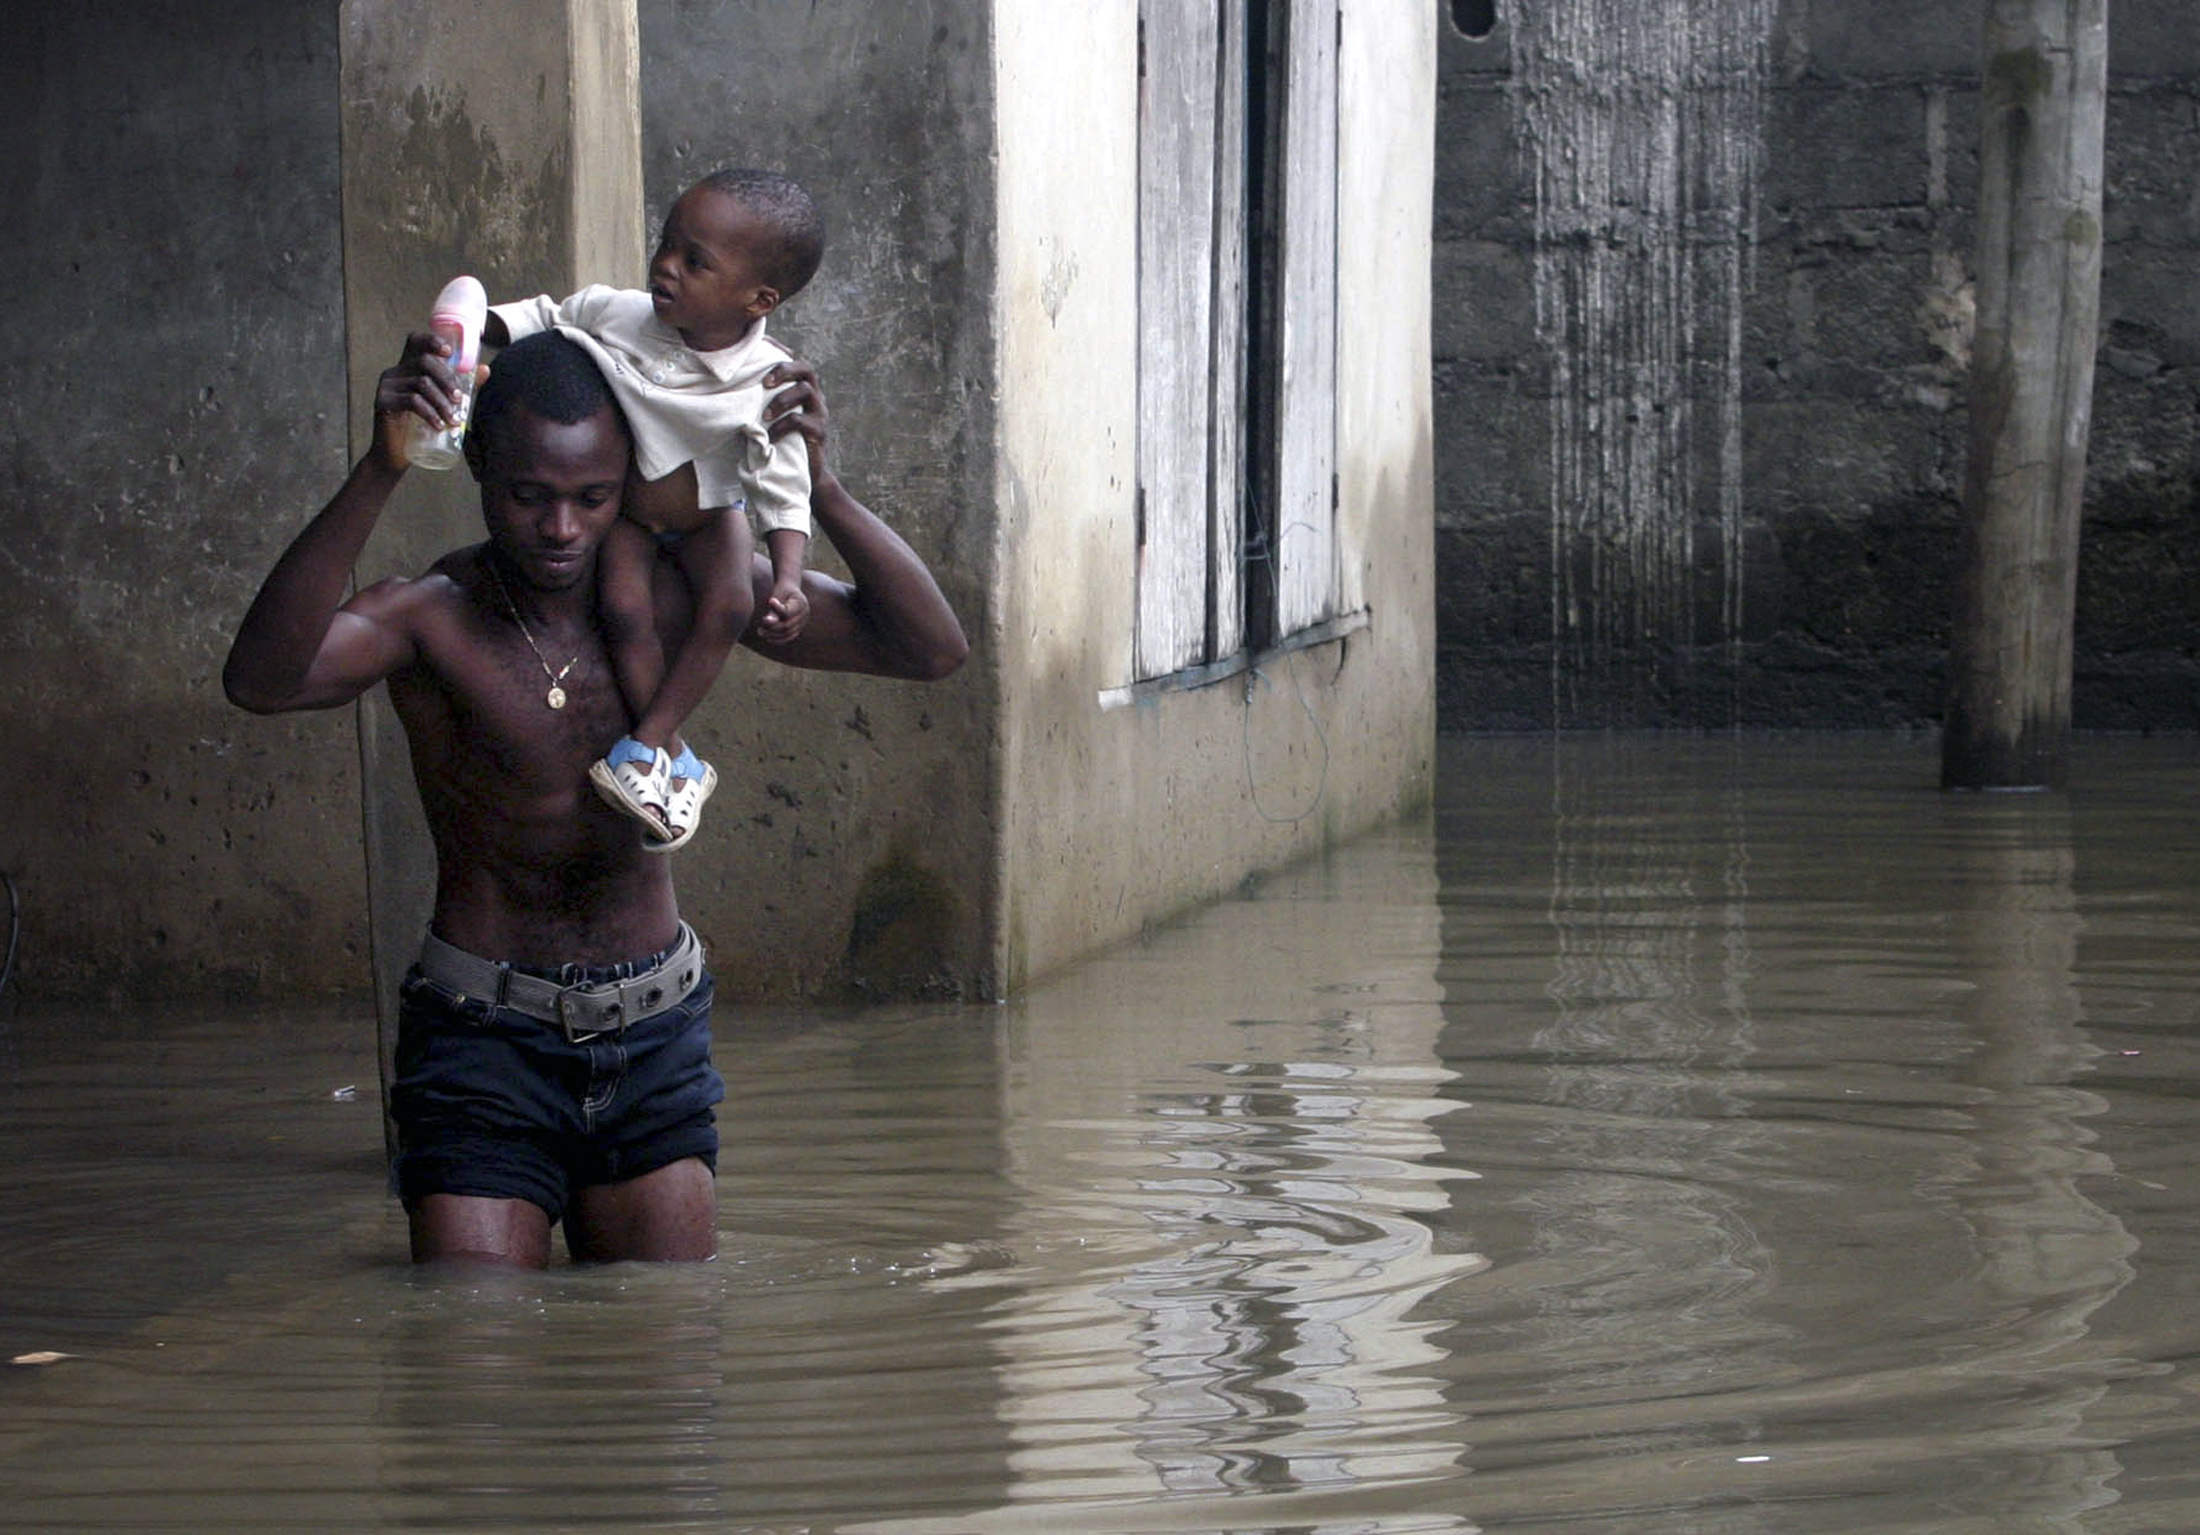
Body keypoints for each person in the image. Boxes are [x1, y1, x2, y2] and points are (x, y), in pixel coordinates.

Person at [223, 328, 966, 1268]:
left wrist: (818, 487)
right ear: (481, 469)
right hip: (480, 1039)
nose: (563, 529)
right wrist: (383, 466)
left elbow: (930, 649)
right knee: (470, 1361)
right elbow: (260, 680)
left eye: (593, 497)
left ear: (633, 482)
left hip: (652, 1034)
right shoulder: (431, 615)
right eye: (530, 496)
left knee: (660, 1369)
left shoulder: (675, 596)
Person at [484, 167, 828, 851]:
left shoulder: (769, 378)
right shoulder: (621, 313)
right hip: (635, 516)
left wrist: (788, 577)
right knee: (623, 608)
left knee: (729, 606)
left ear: (759, 298)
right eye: (666, 243)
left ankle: (647, 743)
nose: (666, 266)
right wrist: (474, 327)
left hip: (711, 513)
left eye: (694, 261)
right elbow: (545, 318)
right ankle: (666, 753)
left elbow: (783, 485)